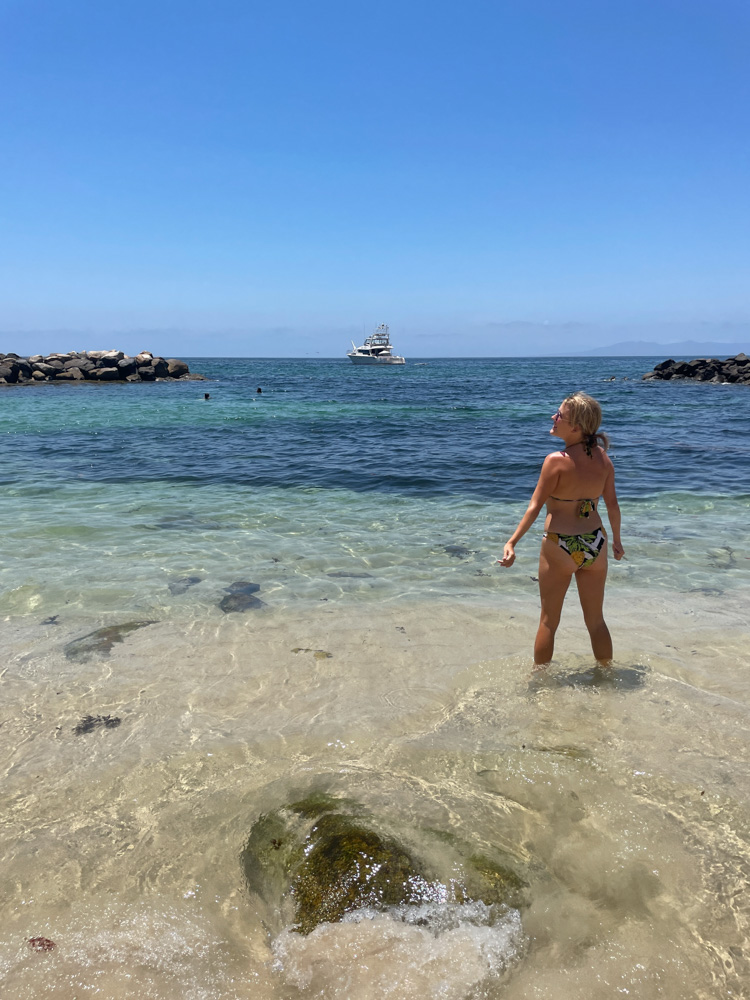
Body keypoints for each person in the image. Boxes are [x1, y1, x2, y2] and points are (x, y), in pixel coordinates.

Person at [499, 392, 624, 666]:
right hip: (596, 543)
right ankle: (606, 675)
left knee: (548, 621)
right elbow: (613, 506)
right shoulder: (604, 459)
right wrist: (616, 541)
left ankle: (539, 683)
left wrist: (512, 542)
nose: (553, 418)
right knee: (596, 620)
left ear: (576, 427)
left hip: (560, 544)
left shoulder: (555, 460)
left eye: (559, 415)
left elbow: (534, 507)